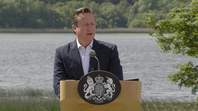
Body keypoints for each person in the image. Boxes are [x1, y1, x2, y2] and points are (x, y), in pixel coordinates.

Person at [53, 7, 123, 97]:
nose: (90, 28)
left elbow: (118, 82)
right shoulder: (62, 53)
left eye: (92, 24)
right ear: (75, 28)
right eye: (86, 25)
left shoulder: (110, 50)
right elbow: (58, 87)